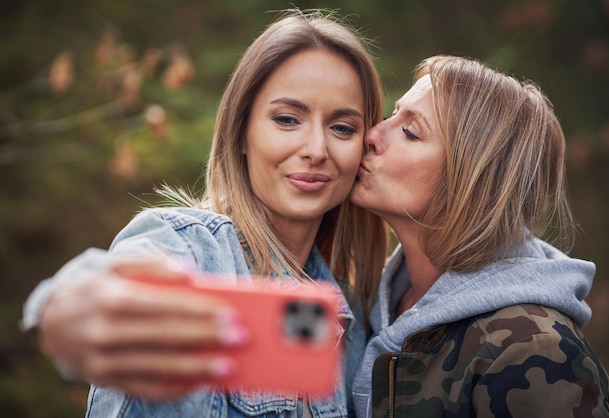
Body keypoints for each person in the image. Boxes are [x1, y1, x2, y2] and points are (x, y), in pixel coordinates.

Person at [22, 9, 387, 417]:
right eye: (287, 120)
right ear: (242, 131)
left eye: (342, 128)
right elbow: (114, 280)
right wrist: (68, 311)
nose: (316, 149)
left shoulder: (351, 316)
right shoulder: (191, 247)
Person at [349, 55, 609, 417]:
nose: (371, 135)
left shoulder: (534, 352)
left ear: (474, 183)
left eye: (410, 131)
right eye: (392, 115)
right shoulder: (359, 306)